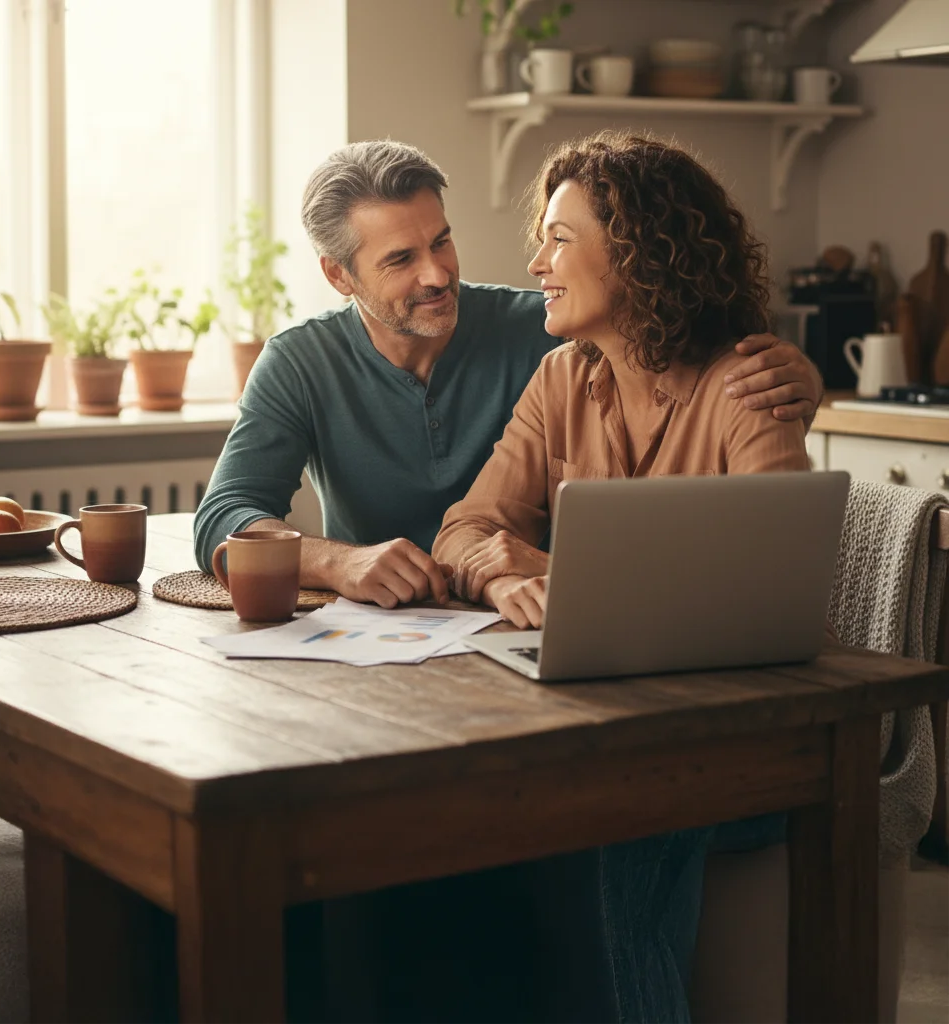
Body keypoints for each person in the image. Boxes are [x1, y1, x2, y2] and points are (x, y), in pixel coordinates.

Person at [433, 130, 813, 1021]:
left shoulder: (746, 386)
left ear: (639, 253)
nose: (537, 264)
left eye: (560, 240)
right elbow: (464, 529)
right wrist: (501, 576)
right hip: (599, 723)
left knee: (621, 818)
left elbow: (771, 586)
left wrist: (555, 571)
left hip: (733, 735)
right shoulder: (561, 378)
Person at [193, 140, 823, 610]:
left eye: (441, 242)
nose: (437, 274)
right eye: (401, 259)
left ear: (639, 257)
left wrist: (805, 387)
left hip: (544, 624)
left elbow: (773, 582)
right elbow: (225, 511)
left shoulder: (553, 331)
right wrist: (339, 563)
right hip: (416, 631)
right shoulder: (300, 361)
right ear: (339, 275)